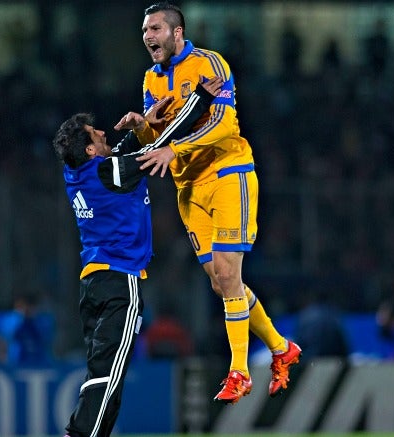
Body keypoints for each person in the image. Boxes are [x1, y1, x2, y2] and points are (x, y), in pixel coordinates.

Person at [114, 2, 301, 404]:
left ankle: (239, 370)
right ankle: (282, 348)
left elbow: (222, 123)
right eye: (145, 30)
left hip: (227, 173)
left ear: (177, 33)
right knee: (220, 281)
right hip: (190, 188)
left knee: (229, 274)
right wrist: (143, 127)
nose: (148, 37)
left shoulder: (208, 65)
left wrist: (174, 148)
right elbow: (157, 144)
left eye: (156, 29)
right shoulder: (151, 79)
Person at [53, 76, 221, 437]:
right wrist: (199, 101)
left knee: (105, 371)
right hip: (119, 279)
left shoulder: (77, 172)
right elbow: (157, 149)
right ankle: (79, 434)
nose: (103, 133)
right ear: (90, 151)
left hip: (93, 283)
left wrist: (144, 123)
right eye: (97, 134)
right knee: (108, 373)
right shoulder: (105, 171)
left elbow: (125, 158)